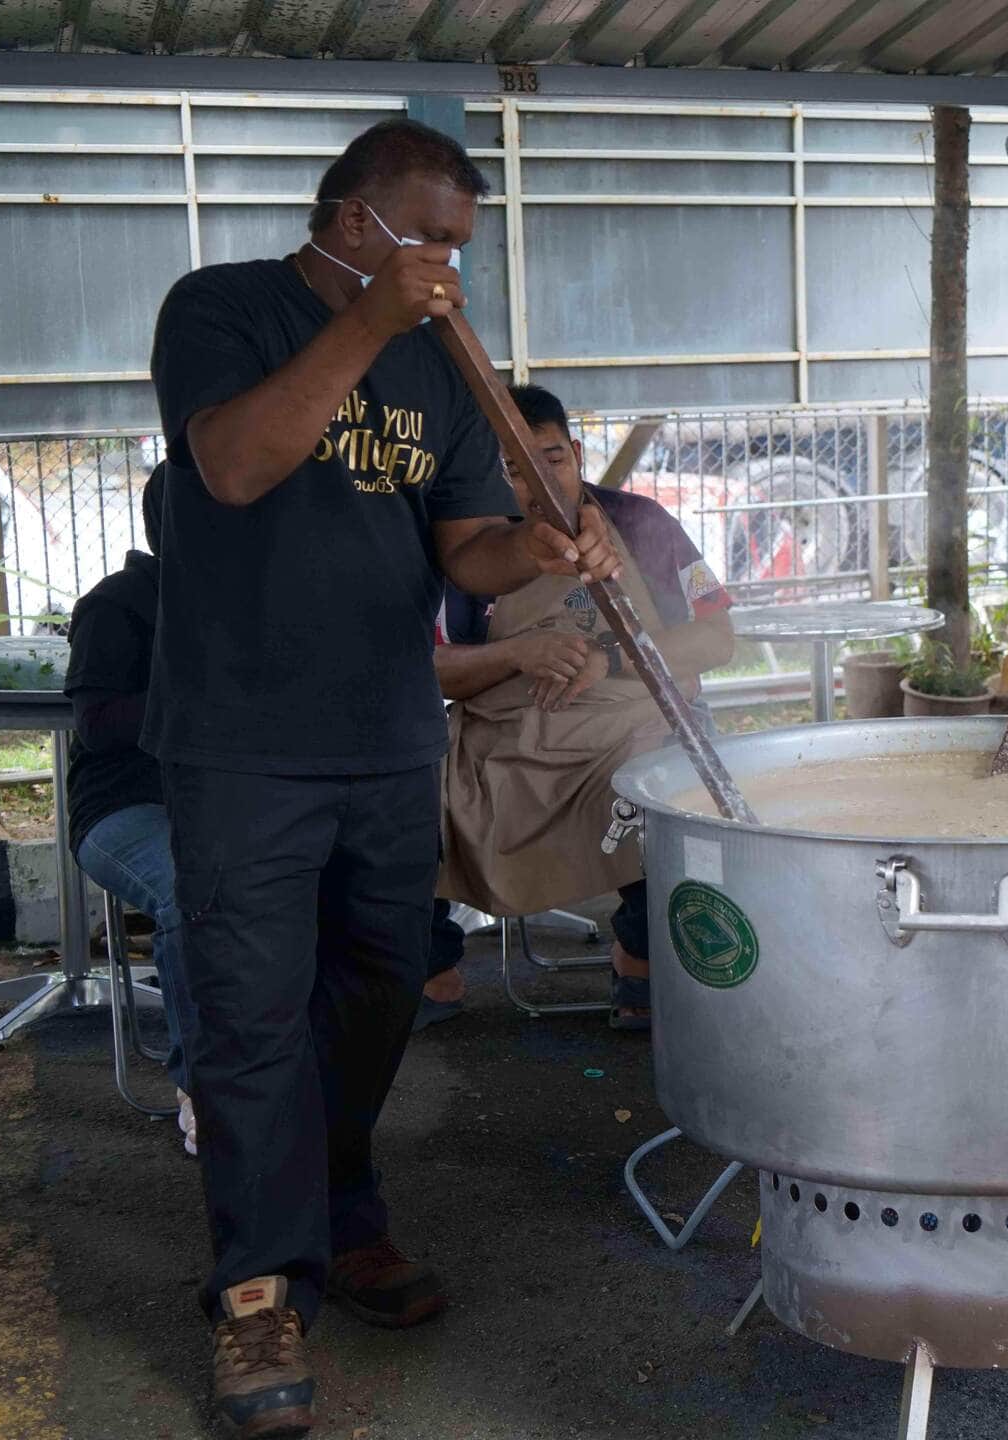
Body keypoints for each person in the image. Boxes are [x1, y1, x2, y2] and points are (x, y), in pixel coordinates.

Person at [147, 118, 622, 1439]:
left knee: (372, 996)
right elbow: (233, 466)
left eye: (461, 248)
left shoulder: (440, 369)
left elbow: (462, 550)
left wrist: (533, 547)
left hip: (388, 737)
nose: (444, 269)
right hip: (243, 739)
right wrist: (367, 326)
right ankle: (255, 1294)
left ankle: (341, 1217)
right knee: (250, 1011)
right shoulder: (222, 309)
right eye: (424, 239)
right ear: (350, 219)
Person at [434, 385, 734, 1028]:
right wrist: (518, 654)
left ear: (574, 452)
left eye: (552, 459)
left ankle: (645, 958)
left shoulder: (641, 523)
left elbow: (718, 637)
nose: (538, 482)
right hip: (504, 738)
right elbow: (432, 671)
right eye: (512, 469)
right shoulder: (458, 555)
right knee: (403, 808)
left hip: (638, 720)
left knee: (673, 805)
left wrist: (613, 659)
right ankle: (429, 968)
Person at [66, 464, 198, 1154]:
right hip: (121, 807)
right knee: (189, 890)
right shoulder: (118, 603)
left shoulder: (257, 601)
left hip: (227, 806)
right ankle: (204, 1088)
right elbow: (97, 722)